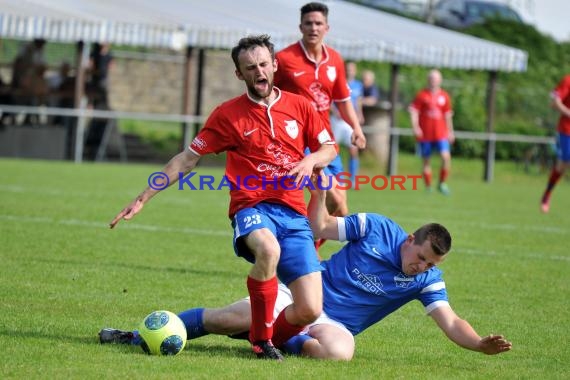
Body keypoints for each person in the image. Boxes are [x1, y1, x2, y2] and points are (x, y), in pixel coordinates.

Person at [100, 173, 512, 360]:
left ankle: (277, 339)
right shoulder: (379, 228)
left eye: (430, 265)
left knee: (338, 353)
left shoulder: (427, 280)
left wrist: (477, 344)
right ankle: (135, 336)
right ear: (410, 240)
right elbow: (320, 227)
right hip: (301, 294)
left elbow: (451, 321)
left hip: (336, 324)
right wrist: (317, 191)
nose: (420, 268)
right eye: (420, 257)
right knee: (226, 318)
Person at [108, 34, 337, 361]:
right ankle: (261, 343)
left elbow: (329, 148)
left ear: (274, 65)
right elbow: (187, 159)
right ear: (239, 74)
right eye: (249, 68)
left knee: (310, 308)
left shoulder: (301, 106)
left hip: (293, 214)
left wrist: (309, 160)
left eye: (262, 64)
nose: (258, 72)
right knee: (268, 250)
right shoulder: (228, 115)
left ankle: (268, 338)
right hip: (252, 208)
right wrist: (144, 196)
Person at [274, 2, 366, 249]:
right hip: (298, 141)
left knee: (340, 207)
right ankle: (303, 252)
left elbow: (343, 100)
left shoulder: (335, 59)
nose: (313, 28)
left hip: (326, 141)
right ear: (300, 26)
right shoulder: (283, 59)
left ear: (327, 27)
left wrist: (356, 128)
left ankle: (305, 249)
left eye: (318, 23)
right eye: (308, 23)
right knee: (332, 194)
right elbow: (268, 95)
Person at [409, 69, 455, 195]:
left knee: (446, 157)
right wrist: (415, 127)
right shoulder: (422, 95)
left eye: (436, 79)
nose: (434, 81)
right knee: (426, 160)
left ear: (440, 80)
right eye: (432, 78)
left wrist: (450, 131)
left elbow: (448, 115)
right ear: (428, 80)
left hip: (441, 134)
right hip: (426, 135)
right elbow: (414, 111)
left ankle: (441, 183)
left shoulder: (444, 96)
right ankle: (428, 186)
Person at [540, 74, 570, 213]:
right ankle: (547, 194)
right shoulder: (568, 80)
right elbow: (554, 102)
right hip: (567, 130)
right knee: (563, 165)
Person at [330, 61, 364, 183]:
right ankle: (337, 177)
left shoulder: (358, 85)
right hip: (338, 121)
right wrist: (335, 111)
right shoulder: (337, 82)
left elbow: (358, 101)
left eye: (352, 69)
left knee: (353, 149)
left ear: (355, 71)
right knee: (333, 150)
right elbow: (329, 99)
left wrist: (360, 115)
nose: (350, 71)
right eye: (348, 69)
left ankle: (353, 179)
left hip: (350, 121)